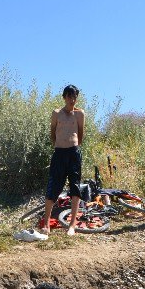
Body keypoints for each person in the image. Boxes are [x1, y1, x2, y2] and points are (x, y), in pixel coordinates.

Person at [42, 85, 85, 236]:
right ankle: (46, 223)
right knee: (53, 186)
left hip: (73, 153)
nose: (72, 100)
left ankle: (72, 225)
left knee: (75, 187)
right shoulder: (56, 113)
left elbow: (80, 134)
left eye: (74, 97)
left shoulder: (79, 114)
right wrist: (59, 145)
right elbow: (52, 133)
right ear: (64, 97)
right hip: (59, 153)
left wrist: (73, 146)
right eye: (69, 96)